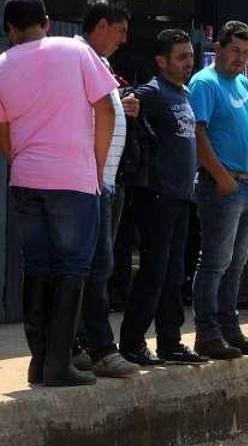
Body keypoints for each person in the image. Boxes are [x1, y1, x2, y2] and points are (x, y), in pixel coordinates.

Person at [0, 0, 117, 386]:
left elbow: (4, 130)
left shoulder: (3, 64)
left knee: (37, 268)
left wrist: (19, 159)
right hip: (73, 180)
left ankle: (39, 361)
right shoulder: (75, 49)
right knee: (71, 269)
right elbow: (106, 109)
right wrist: (96, 165)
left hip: (27, 179)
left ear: (10, 29)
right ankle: (58, 363)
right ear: (47, 23)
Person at [117, 29, 208, 366]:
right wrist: (126, 103)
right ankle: (132, 342)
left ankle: (170, 342)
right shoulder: (153, 93)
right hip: (155, 196)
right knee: (154, 271)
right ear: (161, 61)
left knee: (173, 274)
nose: (189, 62)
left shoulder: (181, 93)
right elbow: (122, 100)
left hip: (181, 198)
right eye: (182, 57)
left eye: (190, 56)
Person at [189, 21, 248, 359]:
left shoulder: (239, 82)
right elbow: (197, 134)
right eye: (236, 50)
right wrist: (222, 177)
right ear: (219, 47)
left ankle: (229, 329)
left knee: (236, 264)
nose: (241, 58)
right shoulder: (204, 83)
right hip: (224, 186)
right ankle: (207, 334)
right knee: (215, 263)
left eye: (247, 52)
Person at [74, 0, 140, 377]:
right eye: (120, 31)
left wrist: (124, 104)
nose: (124, 39)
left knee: (101, 266)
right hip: (93, 181)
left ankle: (82, 343)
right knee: (95, 269)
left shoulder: (100, 63)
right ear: (101, 25)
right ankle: (98, 348)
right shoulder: (82, 58)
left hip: (107, 181)